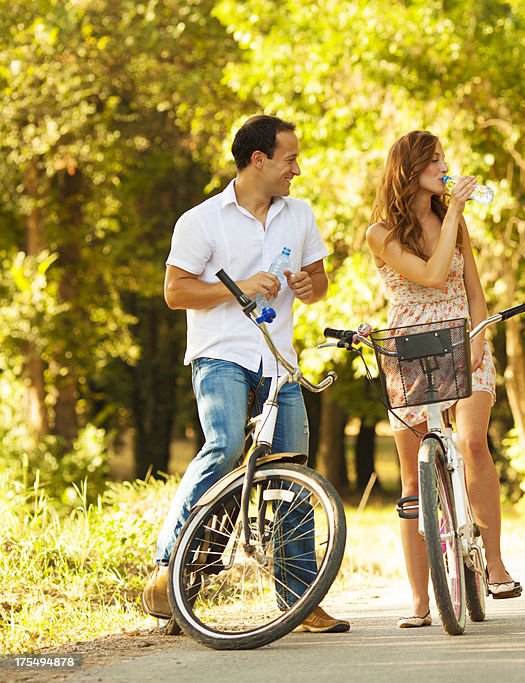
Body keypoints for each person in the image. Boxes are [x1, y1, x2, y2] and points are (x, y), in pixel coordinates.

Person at [142, 114, 349, 634]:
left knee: (292, 472)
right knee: (226, 445)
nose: (296, 169)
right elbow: (176, 293)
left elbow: (320, 279)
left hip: (280, 363)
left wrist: (308, 285)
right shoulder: (202, 220)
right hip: (222, 356)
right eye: (289, 159)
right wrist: (237, 288)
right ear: (259, 160)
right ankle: (169, 568)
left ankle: (301, 601)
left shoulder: (299, 215)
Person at [366, 130, 521, 629]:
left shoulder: (457, 221)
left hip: (465, 337)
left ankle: (494, 563)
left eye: (444, 158)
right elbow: (431, 276)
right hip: (409, 347)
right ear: (410, 168)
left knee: (473, 441)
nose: (445, 165)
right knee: (413, 481)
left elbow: (473, 289)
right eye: (435, 159)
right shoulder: (381, 232)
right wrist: (453, 210)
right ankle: (419, 599)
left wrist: (477, 338)